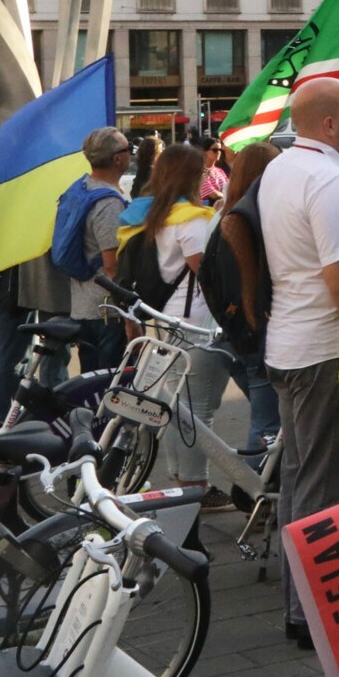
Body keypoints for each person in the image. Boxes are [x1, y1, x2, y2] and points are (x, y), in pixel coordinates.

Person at [256, 77, 339, 648]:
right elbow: (337, 279)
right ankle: (313, 617)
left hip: (286, 346)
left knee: (299, 482)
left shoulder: (280, 168)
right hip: (322, 351)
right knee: (322, 490)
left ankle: (297, 609)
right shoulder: (327, 181)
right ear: (329, 124)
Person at [124, 144, 235, 511]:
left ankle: (179, 481)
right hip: (198, 323)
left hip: (169, 319)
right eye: (202, 173)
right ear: (191, 177)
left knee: (176, 406)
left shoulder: (158, 214)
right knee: (197, 409)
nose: (206, 177)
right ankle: (196, 487)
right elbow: (207, 271)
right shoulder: (192, 219)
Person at [216, 141, 283, 457]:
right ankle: (258, 491)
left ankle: (263, 485)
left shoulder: (224, 215)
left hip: (230, 330)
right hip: (256, 330)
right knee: (267, 423)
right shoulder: (256, 219)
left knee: (267, 415)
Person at [61, 129, 131, 371]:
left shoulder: (81, 188)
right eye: (127, 148)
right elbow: (112, 266)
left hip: (83, 304)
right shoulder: (108, 204)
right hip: (106, 311)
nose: (130, 153)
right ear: (117, 159)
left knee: (90, 383)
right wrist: (128, 316)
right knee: (108, 387)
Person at [198, 138, 230, 204]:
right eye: (215, 150)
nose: (218, 152)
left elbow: (230, 188)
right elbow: (213, 195)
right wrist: (229, 197)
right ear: (205, 152)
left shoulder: (220, 171)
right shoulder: (199, 172)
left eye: (220, 150)